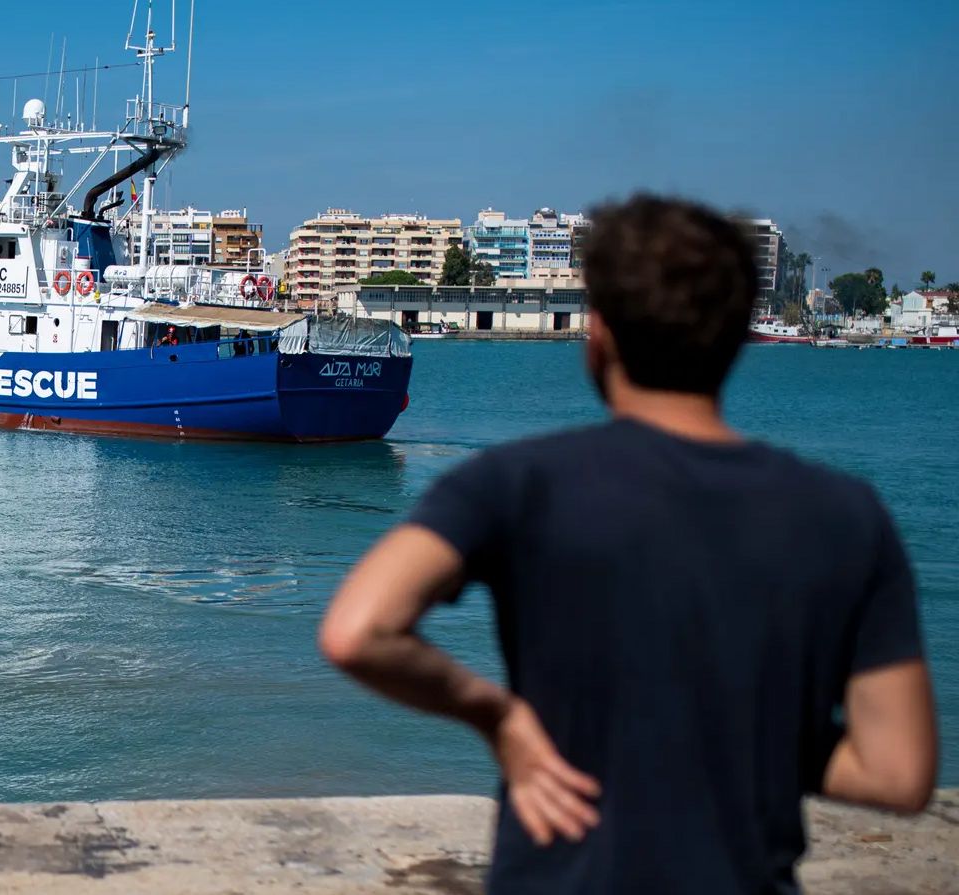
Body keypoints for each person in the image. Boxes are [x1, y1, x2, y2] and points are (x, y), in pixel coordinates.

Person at [319, 195, 937, 893]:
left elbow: (356, 629)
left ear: (599, 332)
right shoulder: (846, 515)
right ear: (737, 336)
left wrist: (495, 713)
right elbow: (899, 771)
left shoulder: (518, 482)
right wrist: (743, 730)